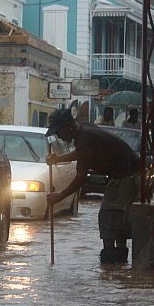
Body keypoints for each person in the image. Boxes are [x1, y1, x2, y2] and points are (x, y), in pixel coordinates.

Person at [45, 109, 140, 264]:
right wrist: (58, 159)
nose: (59, 136)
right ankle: (117, 267)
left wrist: (59, 196)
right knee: (115, 219)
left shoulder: (85, 137)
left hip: (127, 176)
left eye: (59, 132)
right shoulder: (83, 131)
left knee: (109, 217)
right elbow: (82, 153)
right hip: (123, 175)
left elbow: (81, 177)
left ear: (69, 126)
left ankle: (111, 263)